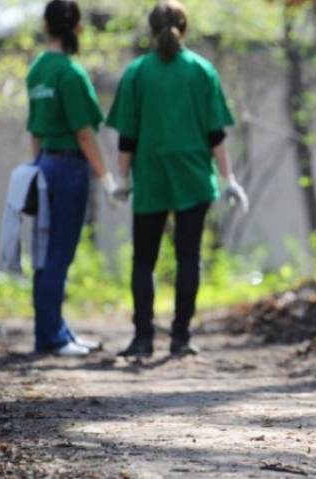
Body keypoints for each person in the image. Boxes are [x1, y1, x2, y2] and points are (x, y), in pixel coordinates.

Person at [106, 0, 248, 358]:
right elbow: (216, 134)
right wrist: (228, 178)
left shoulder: (137, 72)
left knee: (144, 261)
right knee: (188, 258)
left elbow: (128, 137)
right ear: (184, 29)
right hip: (193, 177)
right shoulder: (202, 71)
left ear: (151, 30)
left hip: (151, 176)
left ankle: (142, 340)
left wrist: (122, 180)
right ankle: (180, 339)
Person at [25, 0, 116, 357]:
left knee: (45, 252)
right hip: (69, 168)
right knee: (59, 253)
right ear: (76, 29)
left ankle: (53, 329)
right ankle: (52, 337)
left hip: (44, 163)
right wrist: (106, 178)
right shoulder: (70, 73)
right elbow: (84, 133)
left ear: (47, 27)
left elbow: (34, 130)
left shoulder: (37, 71)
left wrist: (34, 168)